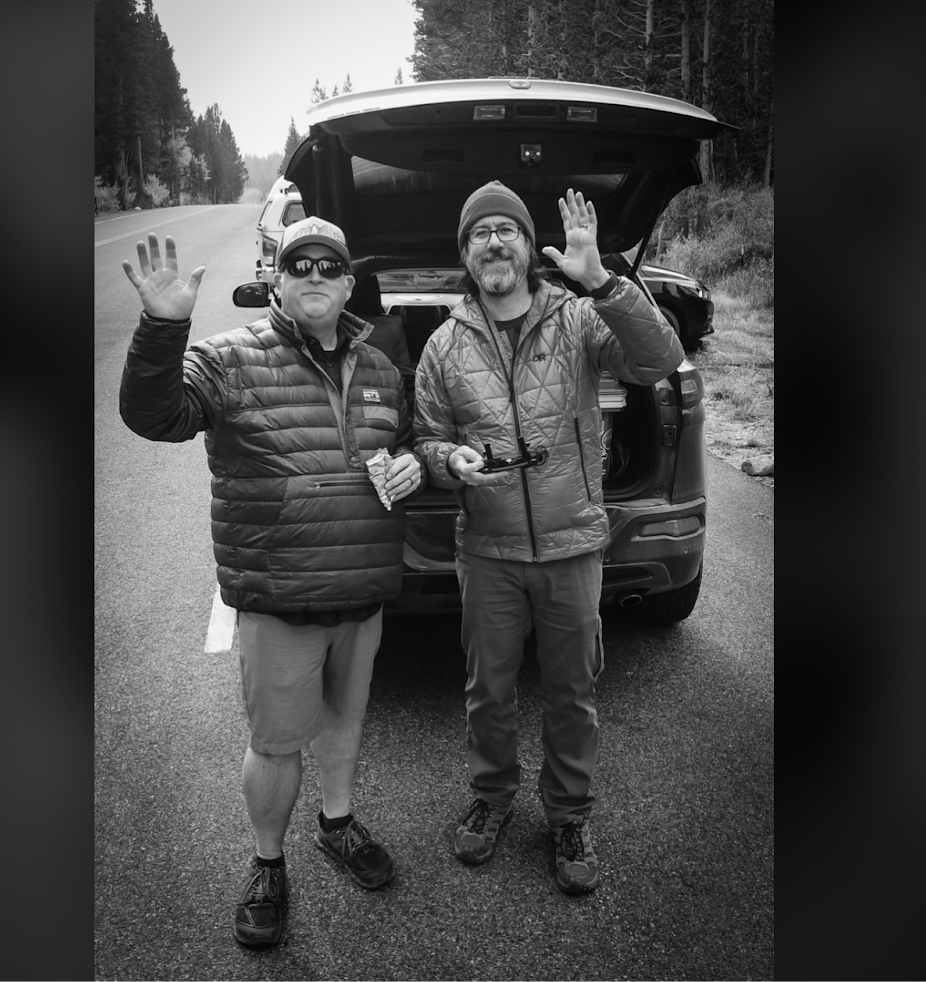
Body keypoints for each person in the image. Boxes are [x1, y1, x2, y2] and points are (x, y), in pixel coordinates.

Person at [119, 216, 423, 947]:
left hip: (363, 591)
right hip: (280, 596)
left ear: (349, 283)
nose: (315, 275)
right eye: (300, 265)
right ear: (278, 283)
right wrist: (163, 329)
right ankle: (266, 863)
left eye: (329, 265)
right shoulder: (227, 358)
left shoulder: (383, 370)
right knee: (278, 743)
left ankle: (337, 826)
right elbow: (152, 414)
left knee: (345, 726)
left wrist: (413, 462)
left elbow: (407, 445)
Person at [413, 181, 683, 895]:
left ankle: (568, 814)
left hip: (572, 546)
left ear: (531, 249)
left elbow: (657, 360)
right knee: (487, 690)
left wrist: (602, 280)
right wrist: (448, 461)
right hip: (488, 551)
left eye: (507, 231)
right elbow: (428, 438)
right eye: (480, 235)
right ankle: (493, 797)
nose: (494, 243)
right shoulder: (443, 345)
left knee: (573, 690)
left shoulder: (578, 320)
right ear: (465, 255)